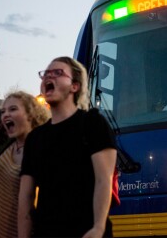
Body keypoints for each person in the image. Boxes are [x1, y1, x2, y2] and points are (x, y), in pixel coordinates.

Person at [18, 57, 116, 238]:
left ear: (74, 86)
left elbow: (104, 180)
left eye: (58, 73)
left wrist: (98, 228)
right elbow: (26, 196)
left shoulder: (93, 124)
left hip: (86, 232)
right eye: (46, 74)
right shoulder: (35, 138)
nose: (49, 77)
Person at [0, 40, 49, 238]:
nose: (5, 115)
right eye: (4, 110)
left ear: (32, 114)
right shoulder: (1, 144)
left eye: (13, 109)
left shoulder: (47, 149)